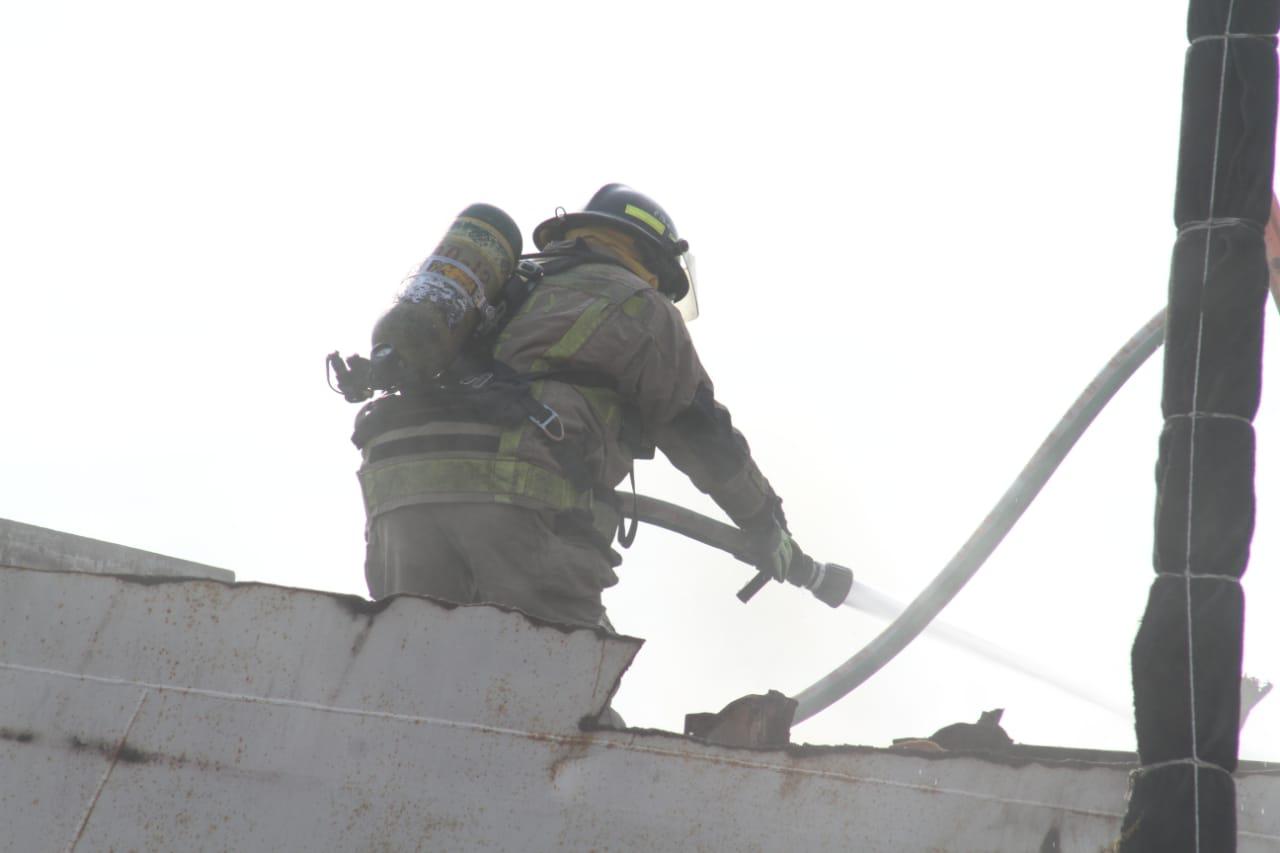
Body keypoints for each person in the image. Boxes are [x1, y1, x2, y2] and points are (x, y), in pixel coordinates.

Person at [356, 184, 803, 629]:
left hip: (397, 491)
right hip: (514, 498)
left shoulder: (503, 287)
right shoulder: (639, 304)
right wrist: (764, 521)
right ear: (655, 262)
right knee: (561, 681)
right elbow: (701, 432)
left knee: (413, 668)